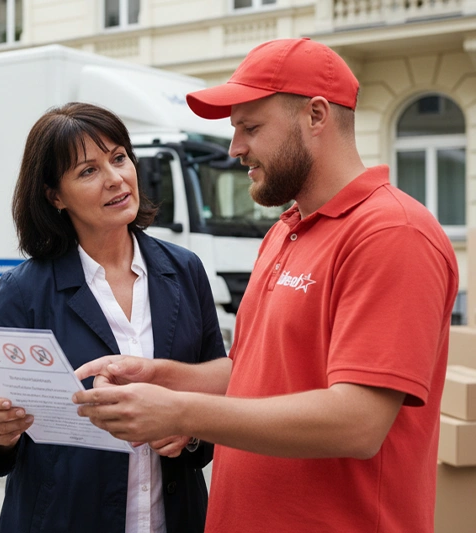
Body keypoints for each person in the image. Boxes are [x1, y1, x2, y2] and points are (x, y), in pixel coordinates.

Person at [73, 38, 459, 533]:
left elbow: (358, 422)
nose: (235, 148)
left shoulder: (392, 233)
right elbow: (255, 375)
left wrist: (182, 412)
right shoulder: (286, 229)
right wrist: (160, 376)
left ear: (316, 115)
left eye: (249, 128)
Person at [0, 102, 229, 533]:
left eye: (119, 157)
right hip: (63, 517)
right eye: (88, 171)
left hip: (175, 516)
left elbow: (218, 390)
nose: (115, 179)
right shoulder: (25, 290)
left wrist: (191, 430)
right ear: (55, 196)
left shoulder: (184, 270)